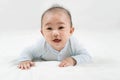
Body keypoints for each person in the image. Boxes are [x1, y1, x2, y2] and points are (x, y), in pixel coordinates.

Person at [18, 5, 92, 70]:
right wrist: (25, 60)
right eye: (49, 28)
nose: (55, 33)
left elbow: (86, 56)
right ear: (42, 33)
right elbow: (27, 51)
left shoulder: (73, 44)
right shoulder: (41, 45)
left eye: (61, 27)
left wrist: (73, 60)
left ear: (71, 31)